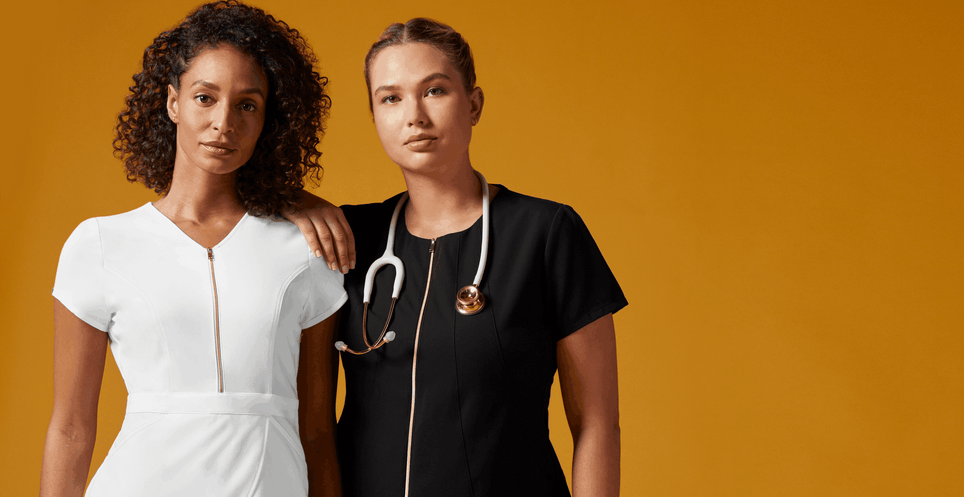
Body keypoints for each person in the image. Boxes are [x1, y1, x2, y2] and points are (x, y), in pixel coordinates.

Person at [288, 18, 626, 497]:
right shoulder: (346, 237)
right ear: (374, 117)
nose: (414, 116)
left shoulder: (545, 234)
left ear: (474, 104)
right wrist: (290, 199)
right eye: (391, 98)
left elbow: (596, 424)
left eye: (435, 91)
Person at [40, 2, 345, 496]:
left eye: (248, 104)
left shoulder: (307, 249)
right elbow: (70, 429)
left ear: (269, 120)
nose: (224, 122)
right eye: (205, 97)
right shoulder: (99, 245)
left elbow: (316, 430)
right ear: (172, 102)